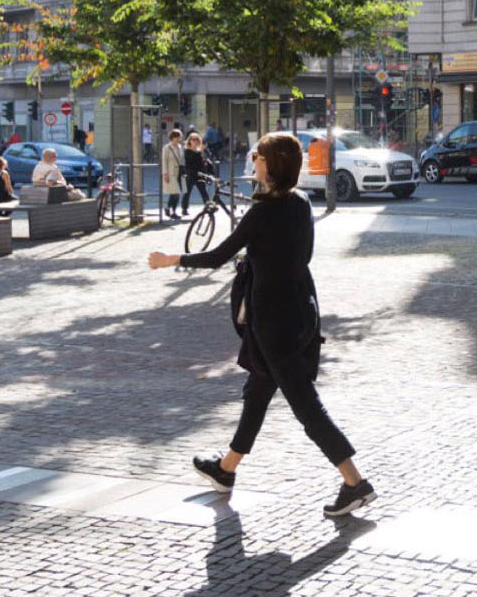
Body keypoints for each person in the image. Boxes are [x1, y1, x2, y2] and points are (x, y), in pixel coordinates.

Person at [146, 133, 376, 517]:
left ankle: (355, 482)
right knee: (257, 391)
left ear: (272, 165)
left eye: (259, 156)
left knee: (306, 406)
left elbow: (218, 256)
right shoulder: (300, 203)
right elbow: (300, 255)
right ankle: (226, 469)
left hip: (274, 321)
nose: (253, 160)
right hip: (302, 310)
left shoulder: (264, 212)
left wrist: (172, 259)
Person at [182, 132, 213, 212]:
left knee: (204, 191)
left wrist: (205, 162)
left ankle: (208, 206)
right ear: (189, 141)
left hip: (200, 174)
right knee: (187, 193)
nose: (195, 141)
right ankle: (184, 208)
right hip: (190, 174)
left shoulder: (200, 151)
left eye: (197, 139)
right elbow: (190, 161)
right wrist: (200, 152)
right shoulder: (187, 151)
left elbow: (202, 162)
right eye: (193, 139)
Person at [161, 129, 186, 218]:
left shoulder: (180, 147)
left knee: (174, 192)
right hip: (171, 173)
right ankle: (173, 212)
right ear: (172, 137)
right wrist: (165, 173)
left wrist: (184, 170)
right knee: (176, 192)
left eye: (179, 137)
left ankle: (168, 208)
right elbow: (164, 161)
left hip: (179, 173)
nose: (178, 139)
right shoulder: (167, 147)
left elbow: (182, 159)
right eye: (177, 137)